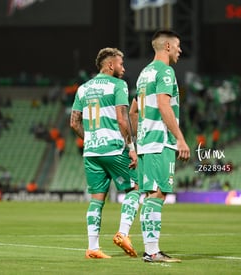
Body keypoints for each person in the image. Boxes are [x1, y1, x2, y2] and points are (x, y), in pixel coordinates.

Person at [70, 47, 140, 259]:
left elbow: (74, 122)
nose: (123, 68)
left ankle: (93, 247)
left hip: (91, 152)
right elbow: (121, 119)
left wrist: (91, 139)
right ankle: (123, 233)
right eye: (120, 63)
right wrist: (131, 148)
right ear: (110, 65)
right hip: (114, 148)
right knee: (135, 189)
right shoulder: (118, 85)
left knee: (96, 199)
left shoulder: (83, 88)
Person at [131, 30, 190, 263]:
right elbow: (164, 106)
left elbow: (133, 111)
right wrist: (180, 139)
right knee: (157, 194)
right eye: (177, 46)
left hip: (146, 142)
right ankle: (152, 251)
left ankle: (151, 250)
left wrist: (140, 137)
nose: (180, 50)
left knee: (150, 195)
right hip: (159, 141)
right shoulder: (166, 71)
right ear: (167, 46)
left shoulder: (144, 73)